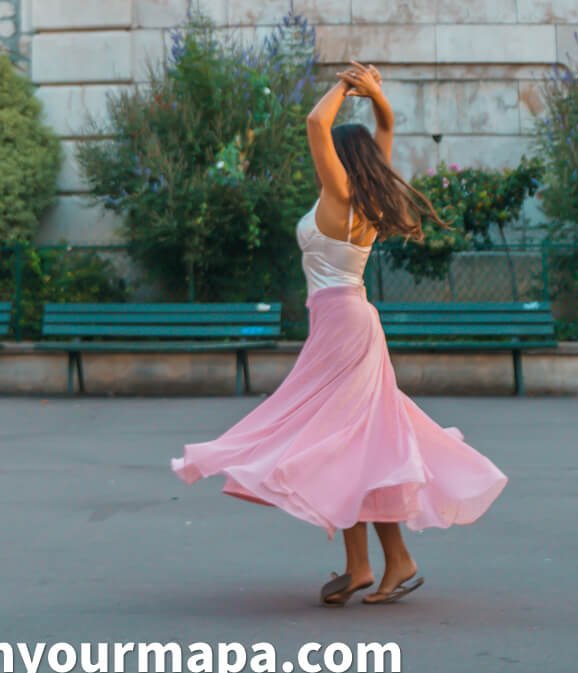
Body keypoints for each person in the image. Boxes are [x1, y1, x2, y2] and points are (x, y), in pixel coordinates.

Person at [171, 62, 506, 604]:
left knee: (342, 439)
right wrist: (376, 98)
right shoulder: (366, 201)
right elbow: (388, 131)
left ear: (342, 161)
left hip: (341, 325)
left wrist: (345, 87)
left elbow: (313, 122)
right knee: (349, 442)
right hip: (349, 321)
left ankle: (385, 562)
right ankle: (371, 565)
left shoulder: (342, 195)